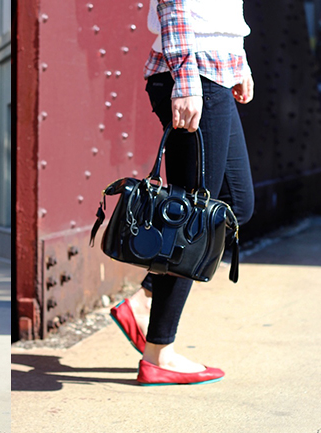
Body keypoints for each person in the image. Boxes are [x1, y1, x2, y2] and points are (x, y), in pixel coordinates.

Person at [109, 0, 255, 385]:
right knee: (193, 224)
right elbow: (174, 5)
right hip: (193, 73)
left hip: (218, 70)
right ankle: (158, 353)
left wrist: (240, 62)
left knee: (236, 204)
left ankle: (145, 301)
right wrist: (187, 82)